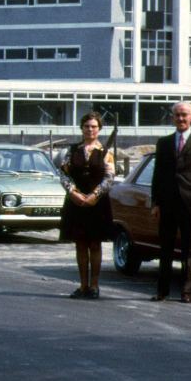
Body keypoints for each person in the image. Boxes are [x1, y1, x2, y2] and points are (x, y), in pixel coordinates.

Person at [150, 101, 191, 303]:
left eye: (184, 114)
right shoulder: (163, 143)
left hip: (190, 203)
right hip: (167, 202)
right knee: (166, 247)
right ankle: (162, 291)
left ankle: (186, 291)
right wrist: (155, 203)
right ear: (172, 118)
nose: (181, 118)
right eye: (177, 115)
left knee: (189, 248)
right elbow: (157, 175)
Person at [58, 111, 115, 299]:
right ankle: (82, 286)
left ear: (99, 129)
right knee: (80, 244)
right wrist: (72, 193)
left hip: (97, 205)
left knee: (95, 244)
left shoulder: (105, 152)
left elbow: (109, 177)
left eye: (93, 126)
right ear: (81, 128)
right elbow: (64, 174)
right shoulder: (72, 150)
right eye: (86, 126)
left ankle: (94, 286)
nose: (90, 129)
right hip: (76, 203)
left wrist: (95, 195)